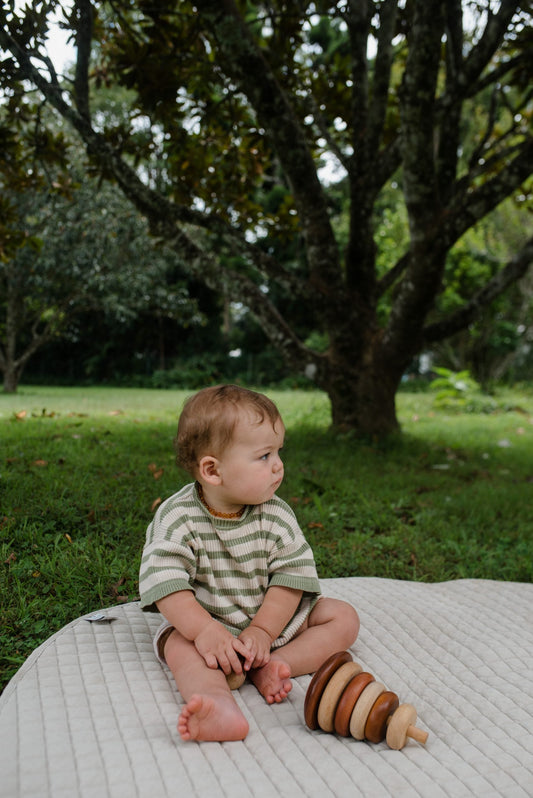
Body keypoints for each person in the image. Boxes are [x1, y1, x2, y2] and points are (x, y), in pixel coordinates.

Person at [139, 384, 359, 742]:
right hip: (207, 627)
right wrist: (204, 631)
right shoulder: (177, 518)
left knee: (343, 617)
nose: (278, 466)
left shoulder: (276, 515)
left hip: (272, 623)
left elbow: (289, 580)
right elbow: (167, 585)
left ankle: (274, 665)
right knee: (177, 645)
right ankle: (217, 704)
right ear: (212, 470)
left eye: (278, 452)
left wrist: (263, 633)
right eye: (264, 456)